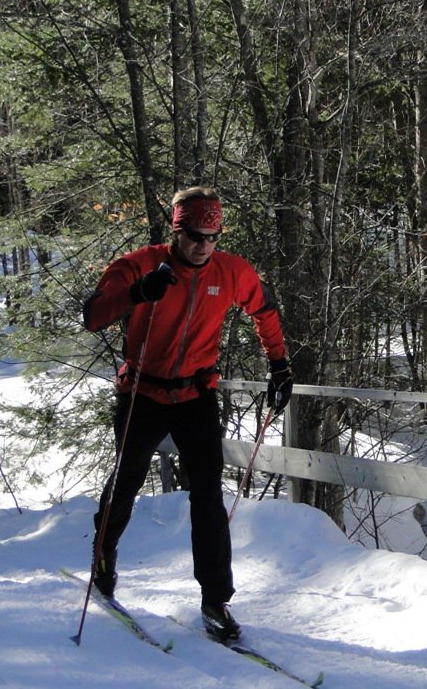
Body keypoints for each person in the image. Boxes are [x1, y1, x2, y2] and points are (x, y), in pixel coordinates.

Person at [82, 186, 293, 642]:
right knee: (126, 482)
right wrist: (138, 292)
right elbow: (94, 315)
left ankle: (216, 601)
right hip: (142, 392)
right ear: (177, 231)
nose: (203, 245)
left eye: (212, 236)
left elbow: (265, 311)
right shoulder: (138, 264)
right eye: (194, 235)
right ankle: (104, 559)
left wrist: (278, 365)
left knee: (209, 497)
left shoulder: (231, 270)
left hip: (196, 394)